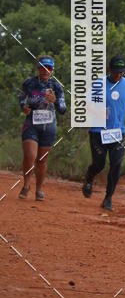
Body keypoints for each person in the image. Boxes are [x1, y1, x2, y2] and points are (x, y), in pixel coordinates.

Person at [82, 56, 125, 212]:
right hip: (98, 132)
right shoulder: (99, 84)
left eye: (121, 73)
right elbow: (85, 104)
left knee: (116, 165)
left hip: (118, 132)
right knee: (99, 165)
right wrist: (99, 112)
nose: (118, 76)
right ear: (109, 69)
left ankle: (108, 198)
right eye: (115, 72)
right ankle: (89, 177)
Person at [18, 56, 67, 201]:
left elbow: (63, 109)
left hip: (49, 125)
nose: (46, 71)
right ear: (38, 68)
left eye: (49, 68)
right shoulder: (29, 83)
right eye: (43, 68)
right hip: (31, 123)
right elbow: (22, 97)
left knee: (41, 160)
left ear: (52, 70)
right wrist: (23, 107)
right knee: (30, 156)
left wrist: (55, 102)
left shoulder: (57, 86)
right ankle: (26, 185)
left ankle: (39, 189)